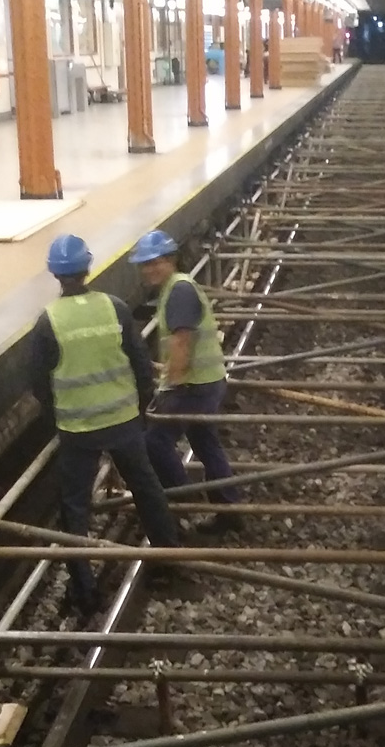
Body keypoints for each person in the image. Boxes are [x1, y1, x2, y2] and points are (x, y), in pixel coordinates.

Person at [30, 233, 179, 615]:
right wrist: (140, 406)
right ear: (88, 267)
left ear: (54, 274)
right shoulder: (113, 308)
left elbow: (38, 382)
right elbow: (140, 363)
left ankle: (85, 591)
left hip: (77, 430)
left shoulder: (49, 321)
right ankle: (168, 562)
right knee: (146, 488)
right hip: (123, 420)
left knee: (75, 510)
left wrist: (59, 417)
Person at [129, 230, 240, 535]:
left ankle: (182, 502)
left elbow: (182, 343)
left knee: (155, 441)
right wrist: (163, 368)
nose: (149, 269)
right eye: (144, 264)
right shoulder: (176, 288)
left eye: (155, 262)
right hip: (206, 381)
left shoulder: (177, 291)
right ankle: (229, 509)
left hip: (193, 386)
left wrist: (169, 387)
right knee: (205, 442)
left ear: (171, 260)